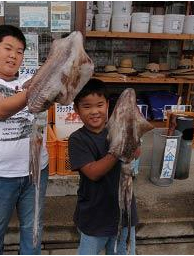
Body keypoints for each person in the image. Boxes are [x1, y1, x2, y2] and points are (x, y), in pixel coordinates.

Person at [0, 25, 49, 255]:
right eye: (8, 48)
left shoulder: (27, 81)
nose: (14, 55)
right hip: (0, 176)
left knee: (33, 232)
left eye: (20, 51)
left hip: (36, 172)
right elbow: (1, 109)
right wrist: (39, 85)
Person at [68, 78, 139, 255]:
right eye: (87, 106)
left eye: (99, 105)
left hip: (124, 214)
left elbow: (135, 154)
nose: (94, 111)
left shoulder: (116, 129)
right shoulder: (77, 139)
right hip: (94, 217)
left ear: (107, 105)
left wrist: (132, 132)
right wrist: (117, 149)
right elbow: (93, 173)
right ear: (76, 109)